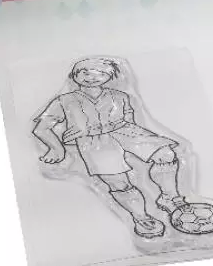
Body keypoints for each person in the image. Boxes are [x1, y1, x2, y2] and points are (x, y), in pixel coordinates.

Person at [33, 57, 186, 238]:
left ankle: (169, 197)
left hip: (126, 131)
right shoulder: (64, 101)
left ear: (110, 76)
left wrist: (135, 148)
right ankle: (141, 217)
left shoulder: (121, 97)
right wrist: (57, 149)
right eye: (85, 72)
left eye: (100, 73)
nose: (92, 77)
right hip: (93, 142)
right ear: (74, 75)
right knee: (119, 183)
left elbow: (130, 122)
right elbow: (41, 129)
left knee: (166, 154)